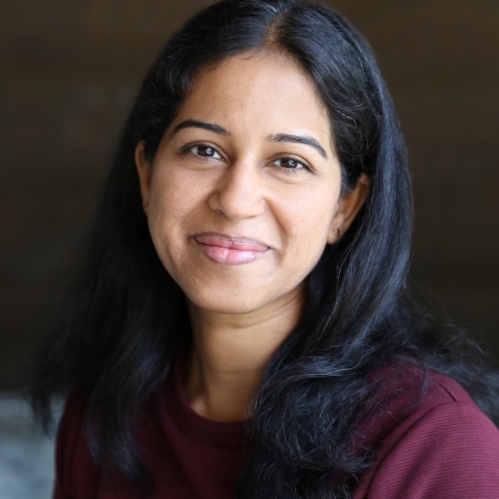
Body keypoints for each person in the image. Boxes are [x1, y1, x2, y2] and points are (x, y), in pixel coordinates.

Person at [29, 0, 499, 497]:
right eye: (204, 150)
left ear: (346, 205)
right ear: (146, 174)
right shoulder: (105, 412)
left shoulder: (432, 445)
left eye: (289, 162)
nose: (235, 201)